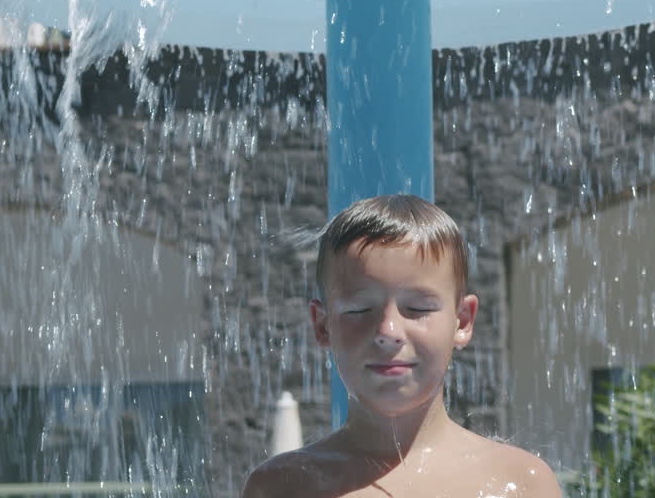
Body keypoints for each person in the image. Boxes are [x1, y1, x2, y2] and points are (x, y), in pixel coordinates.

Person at [241, 194, 562, 497]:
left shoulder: (521, 484)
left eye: (419, 308)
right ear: (323, 326)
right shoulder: (282, 487)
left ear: (462, 322)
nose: (389, 331)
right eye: (359, 310)